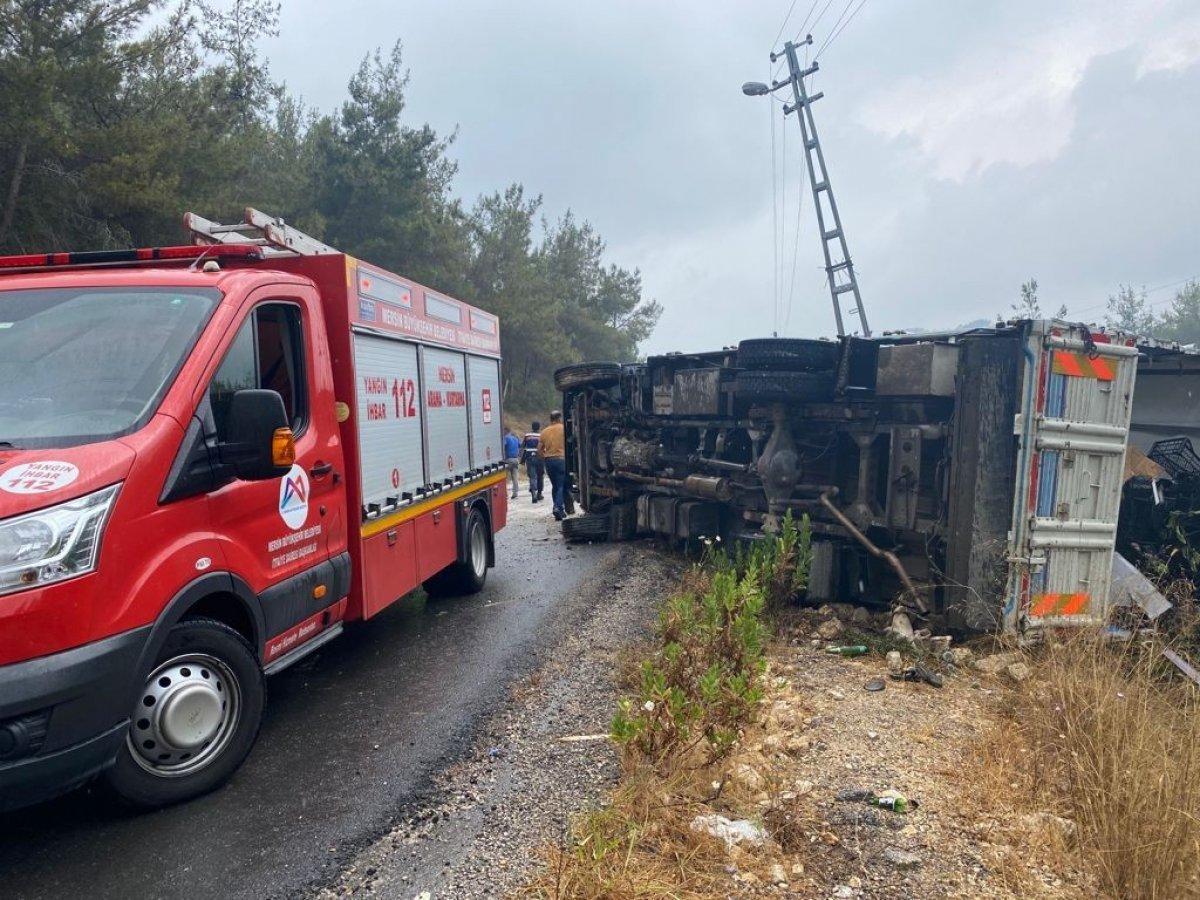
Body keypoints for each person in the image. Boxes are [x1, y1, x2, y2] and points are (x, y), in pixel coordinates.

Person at [540, 410, 568, 521]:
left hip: (549, 461)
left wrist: (545, 458)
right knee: (561, 485)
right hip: (561, 459)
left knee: (555, 486)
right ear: (559, 418)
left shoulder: (544, 431)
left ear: (551, 419)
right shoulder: (563, 429)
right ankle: (557, 507)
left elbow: (539, 450)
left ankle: (559, 510)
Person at [521, 421, 544, 502]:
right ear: (539, 427)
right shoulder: (542, 435)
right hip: (540, 457)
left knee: (532, 476)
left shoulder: (527, 435)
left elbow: (523, 446)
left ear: (532, 427)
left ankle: (533, 494)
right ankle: (539, 494)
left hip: (529, 457)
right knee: (540, 476)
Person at [503, 426, 521, 499]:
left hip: (508, 460)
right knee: (515, 477)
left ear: (505, 431)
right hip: (516, 460)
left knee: (504, 477)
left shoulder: (506, 438)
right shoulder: (515, 438)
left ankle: (505, 494)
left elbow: (503, 446)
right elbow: (520, 445)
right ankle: (515, 493)